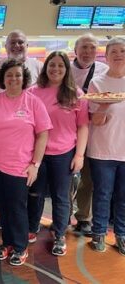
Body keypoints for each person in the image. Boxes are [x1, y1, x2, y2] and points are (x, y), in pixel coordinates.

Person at [0, 59, 52, 266]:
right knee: (2, 207)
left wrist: (35, 164)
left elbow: (43, 135)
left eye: (18, 75)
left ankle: (20, 246)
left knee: (17, 208)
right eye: (9, 75)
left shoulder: (33, 102)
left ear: (24, 79)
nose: (14, 78)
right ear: (3, 79)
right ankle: (7, 243)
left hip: (20, 167)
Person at [27, 51, 89, 256]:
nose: (55, 69)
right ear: (46, 68)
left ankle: (60, 234)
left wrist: (79, 155)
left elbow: (82, 127)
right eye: (51, 65)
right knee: (34, 193)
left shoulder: (76, 94)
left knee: (61, 197)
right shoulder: (34, 92)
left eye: (60, 66)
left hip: (64, 153)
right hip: (38, 153)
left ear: (66, 69)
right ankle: (31, 228)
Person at [87, 37, 125, 256]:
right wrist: (104, 105)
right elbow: (96, 120)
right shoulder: (98, 83)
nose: (119, 55)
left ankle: (121, 234)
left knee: (123, 196)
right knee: (103, 193)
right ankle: (99, 232)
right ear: (107, 56)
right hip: (103, 150)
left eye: (123, 50)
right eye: (114, 52)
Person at [70, 33, 109, 236]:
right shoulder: (65, 69)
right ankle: (64, 214)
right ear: (75, 50)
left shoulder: (103, 71)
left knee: (88, 179)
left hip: (93, 133)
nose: (88, 52)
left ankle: (84, 217)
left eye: (92, 48)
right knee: (65, 178)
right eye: (84, 47)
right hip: (68, 133)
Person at [0, 30, 43, 94]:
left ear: (27, 46)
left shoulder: (39, 67)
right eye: (12, 42)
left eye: (20, 42)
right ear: (6, 47)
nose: (16, 45)